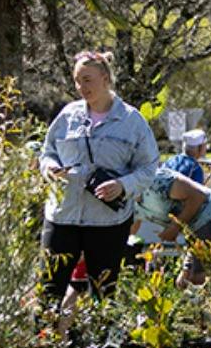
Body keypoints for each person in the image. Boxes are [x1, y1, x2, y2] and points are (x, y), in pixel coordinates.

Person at [37, 50, 161, 297]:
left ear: (105, 78)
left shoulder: (132, 120)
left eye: (87, 79)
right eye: (77, 80)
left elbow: (149, 167)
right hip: (63, 215)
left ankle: (99, 336)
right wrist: (49, 168)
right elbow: (47, 152)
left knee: (104, 294)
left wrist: (123, 185)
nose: (81, 87)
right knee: (48, 290)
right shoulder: (67, 116)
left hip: (107, 221)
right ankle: (46, 335)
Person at [136, 164, 211, 285]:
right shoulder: (128, 204)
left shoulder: (158, 180)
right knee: (183, 281)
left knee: (198, 278)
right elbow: (130, 228)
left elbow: (197, 197)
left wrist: (174, 227)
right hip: (193, 230)